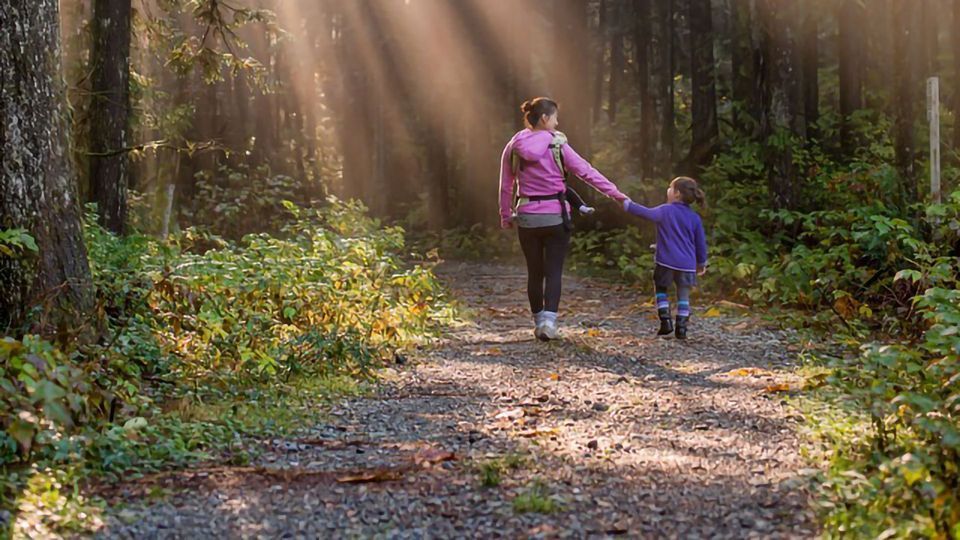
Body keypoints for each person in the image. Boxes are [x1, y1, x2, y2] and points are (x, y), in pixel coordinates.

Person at [499, 97, 628, 340]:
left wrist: (506, 215)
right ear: (545, 118)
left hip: (527, 216)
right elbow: (587, 172)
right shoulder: (557, 144)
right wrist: (616, 194)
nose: (557, 123)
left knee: (534, 272)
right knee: (554, 271)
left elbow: (506, 186)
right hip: (555, 217)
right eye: (556, 117)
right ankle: (550, 323)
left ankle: (538, 323)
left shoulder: (514, 145)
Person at [621, 176, 708, 339]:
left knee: (661, 289)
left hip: (666, 261)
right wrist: (701, 262)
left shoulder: (665, 210)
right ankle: (681, 327)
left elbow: (645, 213)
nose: (667, 190)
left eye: (670, 187)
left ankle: (665, 321)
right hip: (687, 264)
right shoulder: (695, 218)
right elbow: (700, 243)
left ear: (676, 194)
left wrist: (627, 204)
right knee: (683, 294)